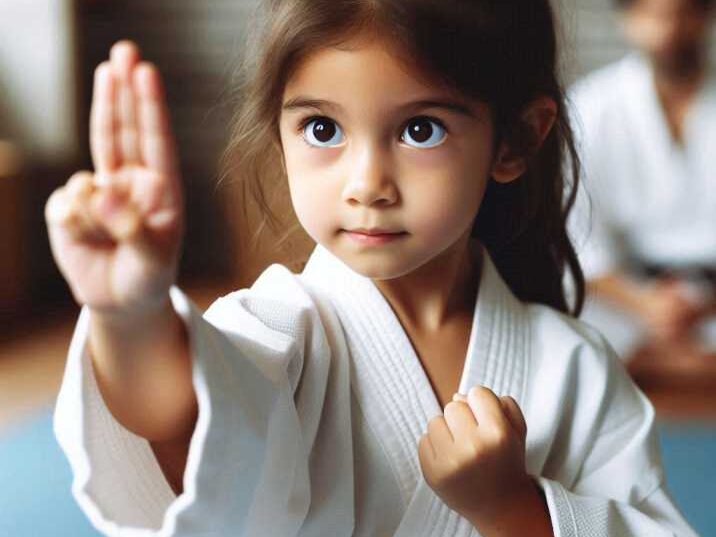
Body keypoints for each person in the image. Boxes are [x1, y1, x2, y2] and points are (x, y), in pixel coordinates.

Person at [46, 1, 698, 536]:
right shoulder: (282, 324)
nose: (366, 184)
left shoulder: (574, 365)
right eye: (322, 129)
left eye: (420, 130)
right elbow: (179, 419)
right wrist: (128, 314)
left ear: (517, 139)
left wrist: (514, 508)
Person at [569, 0, 716, 358]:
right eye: (653, 15)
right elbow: (578, 238)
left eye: (682, 13)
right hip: (628, 295)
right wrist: (645, 302)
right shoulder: (592, 105)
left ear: (706, 15)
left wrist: (703, 305)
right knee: (574, 339)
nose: (668, 31)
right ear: (626, 19)